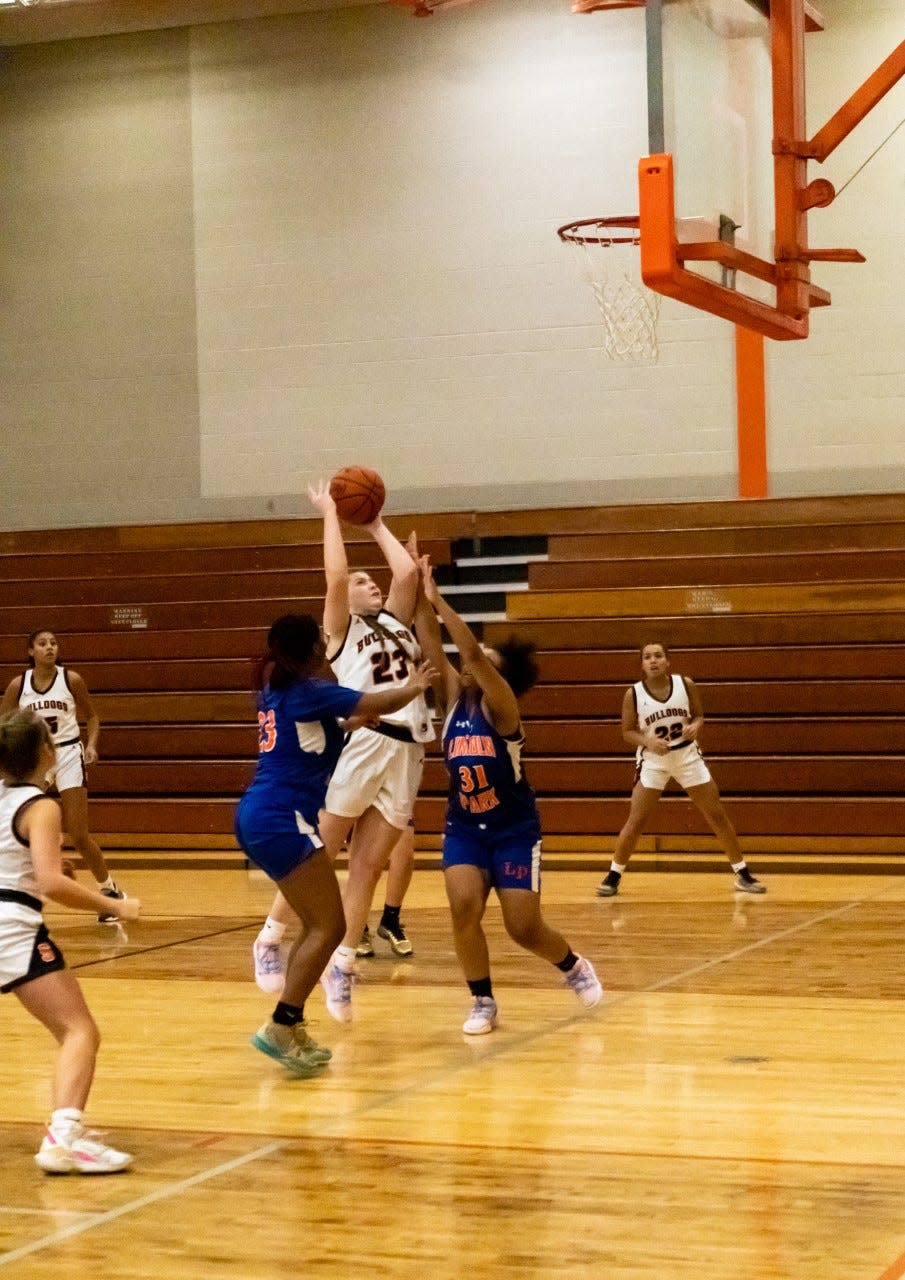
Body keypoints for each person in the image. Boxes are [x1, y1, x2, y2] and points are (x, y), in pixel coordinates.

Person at [252, 483, 434, 1020]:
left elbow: (407, 576)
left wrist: (377, 524)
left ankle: (344, 964)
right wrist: (333, 514)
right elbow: (334, 575)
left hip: (408, 752)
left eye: (369, 578)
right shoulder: (340, 632)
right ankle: (270, 936)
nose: (369, 582)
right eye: (360, 581)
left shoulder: (395, 625)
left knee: (369, 868)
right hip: (365, 743)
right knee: (322, 849)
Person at [236, 605, 434, 1074]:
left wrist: (346, 727)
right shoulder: (309, 690)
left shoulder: (278, 689)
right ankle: (282, 1025)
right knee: (328, 926)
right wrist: (416, 687)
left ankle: (290, 1021)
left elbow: (306, 735)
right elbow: (379, 702)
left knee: (319, 924)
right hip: (281, 817)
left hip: (260, 814)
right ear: (313, 648)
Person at [415, 554, 602, 1035]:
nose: (471, 663)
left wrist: (439, 600)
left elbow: (470, 655)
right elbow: (432, 644)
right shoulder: (456, 699)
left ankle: (571, 965)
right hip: (465, 828)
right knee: (463, 908)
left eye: (486, 663)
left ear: (500, 677)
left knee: (522, 928)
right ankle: (483, 1000)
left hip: (514, 830)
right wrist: (416, 589)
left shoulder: (504, 711)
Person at [0, 708, 140, 1173]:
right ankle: (63, 1138)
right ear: (45, 752)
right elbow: (51, 885)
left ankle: (66, 1132)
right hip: (12, 929)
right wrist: (113, 905)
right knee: (79, 1031)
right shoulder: (43, 806)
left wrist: (42, 868)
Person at [596, 641, 766, 898]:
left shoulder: (685, 685)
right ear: (642, 664)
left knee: (716, 814)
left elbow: (699, 716)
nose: (653, 661)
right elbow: (627, 732)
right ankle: (613, 876)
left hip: (687, 756)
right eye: (647, 657)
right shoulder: (633, 693)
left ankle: (742, 873)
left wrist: (696, 726)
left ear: (667, 661)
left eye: (658, 656)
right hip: (654, 761)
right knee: (637, 820)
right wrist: (649, 742)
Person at [0, 629, 125, 923]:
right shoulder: (19, 685)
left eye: (53, 643)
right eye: (42, 644)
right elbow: (5, 724)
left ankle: (108, 890)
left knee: (79, 833)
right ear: (30, 650)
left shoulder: (71, 680)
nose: (49, 648)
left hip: (67, 753)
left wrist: (91, 745)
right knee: (21, 823)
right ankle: (27, 884)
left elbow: (92, 716)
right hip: (34, 756)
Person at [356, 820, 416, 958]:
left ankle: (390, 920)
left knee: (405, 851)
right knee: (361, 853)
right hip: (355, 800)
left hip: (395, 798)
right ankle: (359, 927)